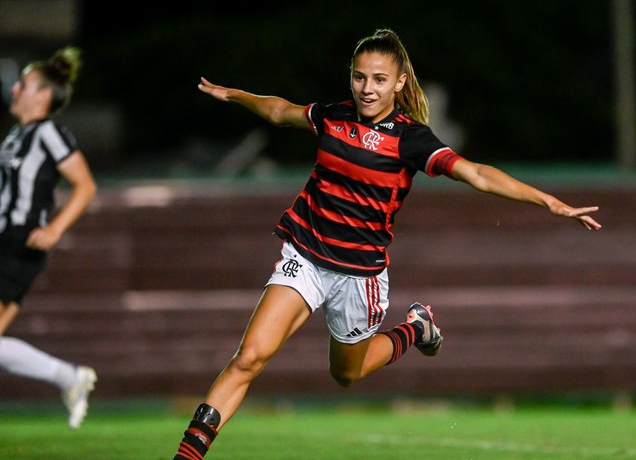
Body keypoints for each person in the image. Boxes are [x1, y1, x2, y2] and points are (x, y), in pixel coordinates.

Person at [172, 28, 601, 459]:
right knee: (249, 357)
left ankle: (415, 328)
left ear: (399, 83)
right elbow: (280, 111)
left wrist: (548, 201)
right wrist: (236, 95)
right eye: (360, 77)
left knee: (346, 374)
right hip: (306, 256)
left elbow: (476, 174)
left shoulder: (411, 138)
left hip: (359, 276)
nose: (367, 88)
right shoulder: (333, 116)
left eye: (379, 79)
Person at [0, 46, 98, 428]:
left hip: (19, 245)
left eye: (23, 84)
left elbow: (85, 185)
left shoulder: (49, 132)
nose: (14, 90)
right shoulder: (15, 137)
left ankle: (68, 377)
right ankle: (68, 378)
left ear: (42, 95)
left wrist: (56, 228)